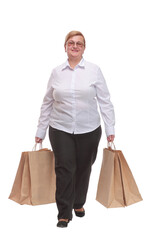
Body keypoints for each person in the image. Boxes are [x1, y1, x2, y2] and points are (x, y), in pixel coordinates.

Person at [35, 30, 115, 228]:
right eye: (71, 43)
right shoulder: (56, 72)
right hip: (60, 127)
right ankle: (64, 213)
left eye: (79, 43)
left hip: (89, 128)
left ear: (84, 48)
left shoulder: (94, 70)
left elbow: (105, 101)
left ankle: (78, 202)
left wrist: (110, 127)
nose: (75, 46)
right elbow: (47, 102)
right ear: (65, 47)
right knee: (64, 169)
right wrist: (40, 131)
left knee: (83, 168)